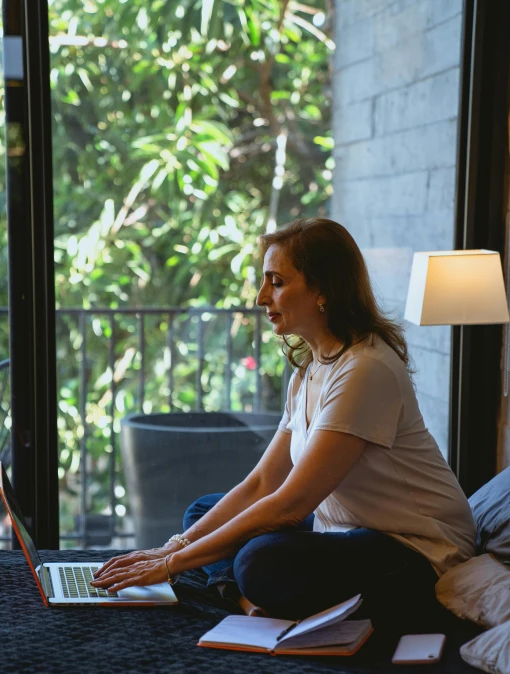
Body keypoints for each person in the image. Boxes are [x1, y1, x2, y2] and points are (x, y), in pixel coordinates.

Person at [92, 218, 476, 625]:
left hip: (418, 550)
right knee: (203, 510)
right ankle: (243, 598)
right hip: (343, 529)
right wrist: (171, 548)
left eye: (276, 282)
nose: (261, 298)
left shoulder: (366, 369)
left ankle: (235, 586)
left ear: (324, 289)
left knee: (260, 559)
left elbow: (291, 505)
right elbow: (261, 483)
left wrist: (172, 565)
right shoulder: (310, 371)